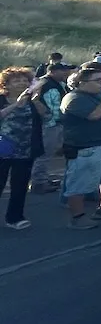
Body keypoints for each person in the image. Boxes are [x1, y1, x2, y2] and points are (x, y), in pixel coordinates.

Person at [60, 62, 101, 230]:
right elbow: (94, 115)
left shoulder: (99, 95)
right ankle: (77, 217)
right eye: (98, 80)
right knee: (80, 183)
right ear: (82, 83)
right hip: (87, 148)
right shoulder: (74, 98)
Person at [0, 67, 44, 229]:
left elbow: (45, 115)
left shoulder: (30, 100)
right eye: (16, 80)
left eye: (25, 80)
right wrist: (16, 105)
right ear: (6, 84)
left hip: (25, 149)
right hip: (2, 149)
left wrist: (36, 100)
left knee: (20, 185)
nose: (21, 83)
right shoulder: (2, 99)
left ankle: (14, 218)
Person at [29, 61, 75, 195]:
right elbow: (51, 107)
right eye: (63, 71)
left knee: (46, 153)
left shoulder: (53, 83)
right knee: (44, 154)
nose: (67, 73)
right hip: (49, 125)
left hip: (52, 124)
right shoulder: (48, 85)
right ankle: (38, 183)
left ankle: (42, 179)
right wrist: (54, 121)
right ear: (53, 71)